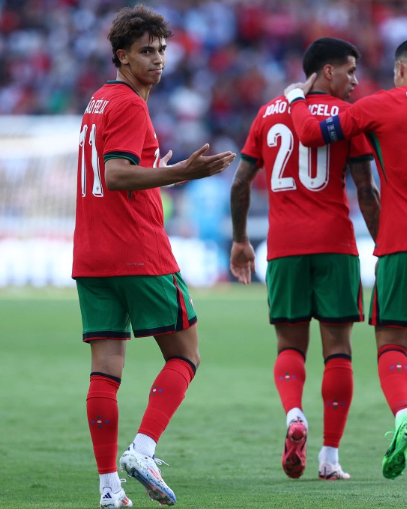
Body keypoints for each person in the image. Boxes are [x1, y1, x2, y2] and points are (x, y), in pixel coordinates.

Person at [284, 37, 407, 481]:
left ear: (399, 71)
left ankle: (403, 414)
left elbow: (312, 133)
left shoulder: (381, 105)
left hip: (402, 243)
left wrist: (297, 96)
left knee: (392, 344)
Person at [73, 5, 236, 508]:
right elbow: (118, 175)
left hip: (92, 256)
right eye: (146, 51)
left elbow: (114, 173)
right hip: (138, 253)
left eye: (162, 49)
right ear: (121, 56)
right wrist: (183, 172)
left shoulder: (98, 101)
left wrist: (154, 171)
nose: (158, 59)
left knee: (105, 369)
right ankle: (142, 450)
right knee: (185, 354)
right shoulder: (130, 105)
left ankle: (109, 492)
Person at [230, 37, 380, 481]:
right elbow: (367, 193)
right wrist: (384, 244)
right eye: (350, 70)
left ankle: (294, 413)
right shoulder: (346, 118)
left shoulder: (269, 112)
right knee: (339, 350)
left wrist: (240, 239)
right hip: (335, 245)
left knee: (290, 346)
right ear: (327, 71)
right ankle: (330, 458)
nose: (355, 80)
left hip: (286, 247)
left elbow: (240, 183)